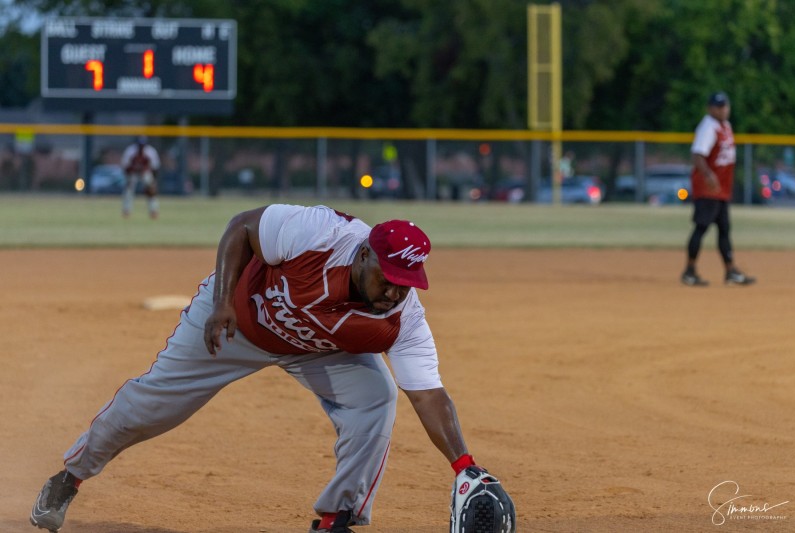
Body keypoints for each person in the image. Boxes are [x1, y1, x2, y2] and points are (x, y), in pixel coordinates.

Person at [30, 204, 502, 533]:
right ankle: (69, 477)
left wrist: (464, 466)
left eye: (407, 283)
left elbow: (427, 393)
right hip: (236, 321)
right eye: (389, 278)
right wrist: (221, 304)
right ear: (363, 254)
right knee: (151, 406)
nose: (396, 292)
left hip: (316, 348)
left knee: (376, 398)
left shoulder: (404, 319)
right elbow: (241, 228)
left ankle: (335, 520)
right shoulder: (320, 234)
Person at [681, 92, 756, 287]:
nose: (723, 109)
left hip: (721, 188)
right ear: (710, 108)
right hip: (708, 188)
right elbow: (697, 155)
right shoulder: (708, 127)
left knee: (724, 229)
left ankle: (730, 271)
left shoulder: (725, 126)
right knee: (702, 227)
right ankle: (689, 271)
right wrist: (708, 175)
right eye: (719, 106)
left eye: (725, 106)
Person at [120, 135, 161, 219]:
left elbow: (155, 167)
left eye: (143, 145)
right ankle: (126, 211)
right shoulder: (130, 151)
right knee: (128, 191)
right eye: (140, 145)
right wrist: (129, 176)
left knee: (151, 191)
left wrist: (153, 180)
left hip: (145, 172)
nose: (141, 147)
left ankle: (153, 210)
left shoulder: (150, 151)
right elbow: (125, 166)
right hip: (133, 173)